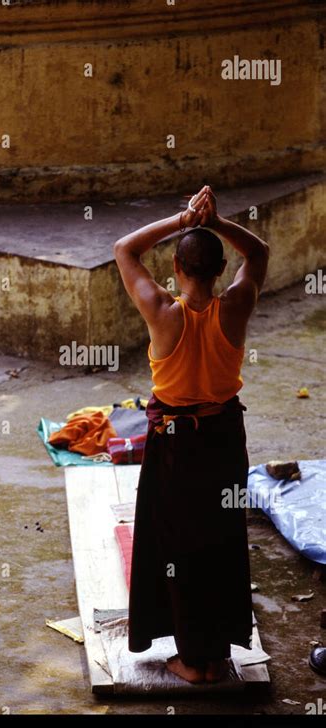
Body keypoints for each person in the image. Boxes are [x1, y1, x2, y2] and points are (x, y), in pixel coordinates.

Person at [113, 186, 269, 683]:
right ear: (221, 271)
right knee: (220, 537)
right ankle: (214, 647)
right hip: (223, 440)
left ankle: (195, 661)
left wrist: (183, 220)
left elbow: (124, 249)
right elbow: (259, 252)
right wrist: (216, 221)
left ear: (177, 270)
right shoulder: (236, 305)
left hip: (176, 444)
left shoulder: (161, 311)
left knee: (176, 545)